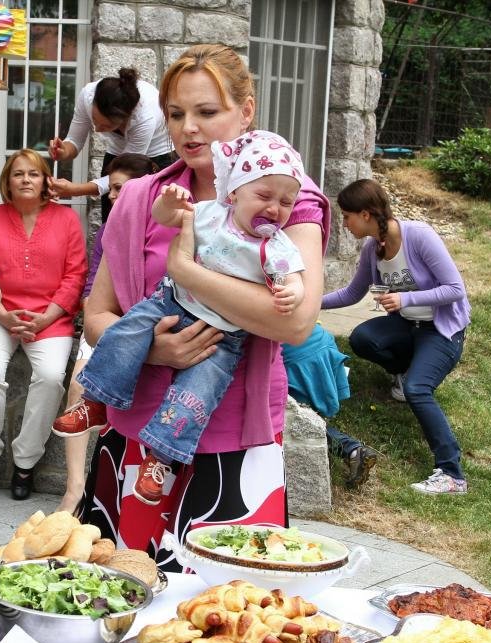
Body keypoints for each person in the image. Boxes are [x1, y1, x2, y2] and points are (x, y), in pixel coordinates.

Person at [80, 45, 330, 569]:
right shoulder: (143, 198)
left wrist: (187, 272)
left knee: (221, 621)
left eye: (206, 113)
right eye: (176, 114)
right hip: (135, 435)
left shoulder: (287, 201)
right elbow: (97, 318)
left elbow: (297, 320)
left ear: (247, 111)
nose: (188, 129)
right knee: (120, 602)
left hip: (234, 438)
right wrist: (150, 348)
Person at [54, 131, 307, 506]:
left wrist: (292, 292)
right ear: (234, 192)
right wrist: (168, 204)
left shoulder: (276, 245)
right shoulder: (209, 214)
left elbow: (295, 277)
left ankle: (160, 460)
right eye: (264, 197)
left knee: (197, 394)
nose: (275, 209)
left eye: (286, 202)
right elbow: (166, 217)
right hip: (169, 303)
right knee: (126, 333)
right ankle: (96, 400)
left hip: (221, 335)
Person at [323, 178, 470, 495]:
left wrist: (406, 299)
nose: (344, 224)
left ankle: (452, 474)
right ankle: (404, 371)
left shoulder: (418, 236)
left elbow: (456, 289)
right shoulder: (371, 248)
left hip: (442, 330)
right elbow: (351, 293)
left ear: (366, 214)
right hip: (407, 328)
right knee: (362, 338)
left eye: (347, 216)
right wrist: (309, 303)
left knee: (419, 389)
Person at [0, 149, 87, 501]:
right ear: (7, 181)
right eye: (18, 173)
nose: (25, 180)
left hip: (49, 318)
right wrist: (1, 313)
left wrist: (49, 315)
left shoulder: (66, 221)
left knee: (52, 377)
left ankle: (25, 462)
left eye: (33, 174)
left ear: (45, 181)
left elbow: (76, 273)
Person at [54, 152, 158, 514]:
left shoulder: (168, 226)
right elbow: (93, 284)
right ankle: (75, 489)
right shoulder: (112, 227)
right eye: (110, 188)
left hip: (149, 327)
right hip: (110, 322)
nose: (112, 196)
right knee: (79, 384)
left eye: (119, 188)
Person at [48, 67, 173, 219]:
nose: (97, 129)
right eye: (94, 120)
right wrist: (64, 151)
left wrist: (75, 190)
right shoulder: (88, 95)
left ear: (125, 118)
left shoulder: (144, 117)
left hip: (158, 155)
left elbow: (126, 172)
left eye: (107, 126)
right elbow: (74, 140)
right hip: (118, 154)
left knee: (152, 219)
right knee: (111, 219)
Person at [281, 322, 382, 489]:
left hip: (297, 357)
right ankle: (353, 451)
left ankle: (350, 449)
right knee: (305, 416)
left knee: (294, 419)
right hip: (320, 341)